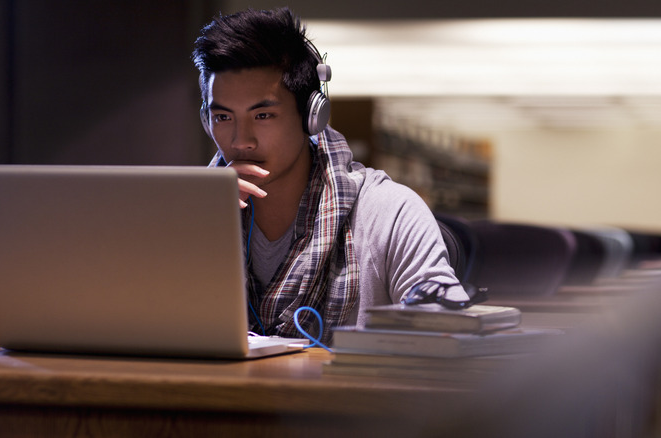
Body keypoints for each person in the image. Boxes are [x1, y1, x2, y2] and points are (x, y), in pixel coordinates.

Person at [192, 7, 465, 343]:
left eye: (263, 115)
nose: (240, 141)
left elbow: (448, 334)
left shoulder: (390, 212)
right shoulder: (191, 215)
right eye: (223, 118)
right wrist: (200, 227)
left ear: (312, 116)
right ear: (207, 121)